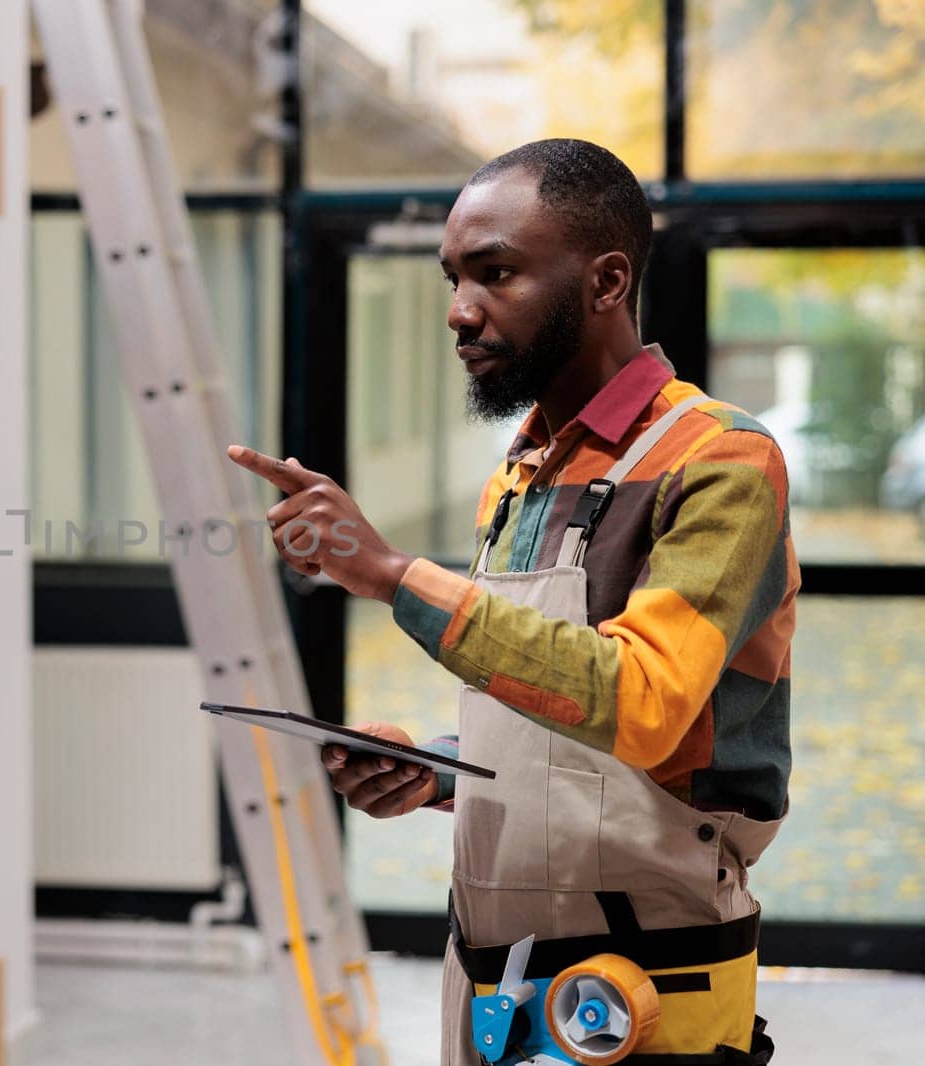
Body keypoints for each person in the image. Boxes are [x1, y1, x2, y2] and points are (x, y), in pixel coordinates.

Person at [228, 138, 794, 1065]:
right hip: (493, 964)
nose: (460, 312)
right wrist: (438, 770)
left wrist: (388, 574)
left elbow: (645, 705)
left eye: (497, 274)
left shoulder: (722, 461)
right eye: (454, 277)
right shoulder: (525, 473)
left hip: (644, 975)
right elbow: (550, 716)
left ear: (606, 280)